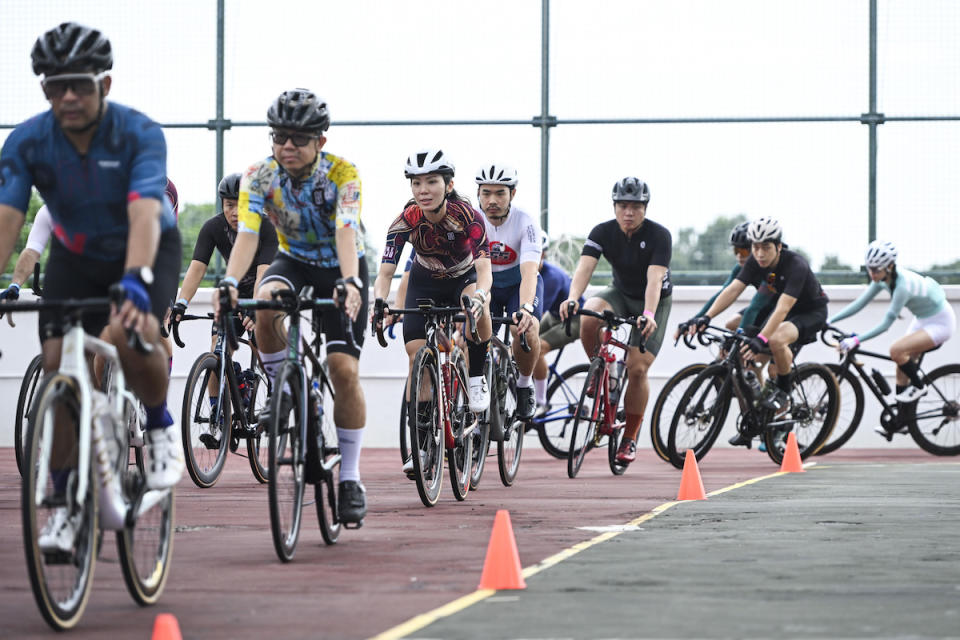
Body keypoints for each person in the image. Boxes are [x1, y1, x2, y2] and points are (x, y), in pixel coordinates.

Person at [0, 22, 183, 550]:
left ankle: (158, 423)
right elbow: (10, 219)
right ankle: (61, 504)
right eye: (56, 86)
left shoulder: (138, 133)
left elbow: (147, 214)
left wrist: (136, 281)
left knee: (130, 333)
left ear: (105, 83)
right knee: (59, 373)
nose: (69, 96)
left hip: (144, 248)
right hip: (75, 257)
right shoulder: (27, 140)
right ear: (43, 91)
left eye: (80, 83)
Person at [212, 89, 369, 524]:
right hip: (294, 261)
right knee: (263, 301)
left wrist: (351, 281)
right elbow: (247, 234)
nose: (287, 147)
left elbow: (345, 230)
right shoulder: (258, 176)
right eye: (279, 136)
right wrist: (227, 280)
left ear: (321, 140)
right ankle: (285, 384)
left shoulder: (343, 173)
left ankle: (351, 477)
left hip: (340, 266)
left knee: (343, 370)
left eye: (298, 139)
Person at [370, 148, 492, 476]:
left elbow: (484, 272)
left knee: (478, 309)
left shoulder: (468, 215)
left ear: (448, 185)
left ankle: (478, 377)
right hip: (425, 282)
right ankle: (422, 448)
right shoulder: (406, 220)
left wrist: (481, 296)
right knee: (417, 359)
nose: (423, 190)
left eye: (432, 182)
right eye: (416, 183)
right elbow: (384, 273)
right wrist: (380, 302)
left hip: (463, 278)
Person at [559, 177, 673, 465]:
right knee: (589, 314)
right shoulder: (602, 231)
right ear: (614, 207)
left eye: (636, 206)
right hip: (621, 293)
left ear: (645, 208)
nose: (629, 212)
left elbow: (654, 279)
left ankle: (630, 439)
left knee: (636, 368)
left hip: (653, 300)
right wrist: (573, 297)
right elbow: (585, 268)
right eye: (623, 206)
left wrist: (647, 314)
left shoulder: (660, 235)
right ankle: (600, 370)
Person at [685, 217, 829, 446]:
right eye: (755, 247)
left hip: (808, 313)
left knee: (776, 339)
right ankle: (756, 411)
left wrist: (760, 339)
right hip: (778, 312)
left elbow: (783, 308)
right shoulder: (754, 261)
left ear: (779, 247)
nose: (759, 254)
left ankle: (783, 389)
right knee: (740, 344)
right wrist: (705, 317)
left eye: (766, 248)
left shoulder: (796, 265)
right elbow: (732, 290)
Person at [170, 173, 278, 445]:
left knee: (262, 343)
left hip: (265, 289)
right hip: (233, 292)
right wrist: (181, 303)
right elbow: (197, 268)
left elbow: (264, 273)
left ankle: (275, 398)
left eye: (239, 204)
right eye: (228, 204)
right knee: (216, 350)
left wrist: (255, 308)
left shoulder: (265, 227)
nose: (233, 211)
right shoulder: (213, 228)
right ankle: (219, 420)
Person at [830, 240, 956, 437]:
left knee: (896, 350)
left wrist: (857, 340)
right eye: (869, 269)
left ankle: (919, 386)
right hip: (923, 320)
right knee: (900, 365)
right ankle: (902, 421)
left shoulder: (902, 286)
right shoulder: (882, 279)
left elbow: (886, 324)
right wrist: (829, 320)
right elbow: (859, 304)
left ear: (889, 266)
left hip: (940, 323)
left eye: (876, 270)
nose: (872, 274)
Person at [475, 163, 542, 420]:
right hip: (488, 285)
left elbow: (529, 272)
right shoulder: (472, 221)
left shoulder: (526, 222)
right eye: (486, 193)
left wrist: (525, 308)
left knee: (523, 328)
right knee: (467, 333)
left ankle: (524, 386)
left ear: (512, 194)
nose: (492, 200)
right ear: (478, 194)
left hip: (518, 285)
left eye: (500, 193)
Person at [675, 221, 775, 341]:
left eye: (743, 252)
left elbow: (755, 306)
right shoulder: (741, 268)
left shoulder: (769, 270)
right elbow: (724, 293)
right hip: (765, 308)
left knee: (763, 349)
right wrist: (697, 319)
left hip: (784, 311)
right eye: (736, 251)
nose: (739, 256)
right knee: (731, 325)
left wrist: (739, 336)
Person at [532, 230, 584, 410]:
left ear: (543, 254)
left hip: (575, 319)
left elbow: (534, 313)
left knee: (535, 347)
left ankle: (541, 401)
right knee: (522, 342)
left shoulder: (551, 277)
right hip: (555, 315)